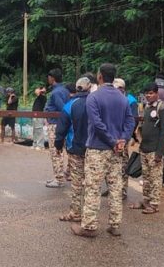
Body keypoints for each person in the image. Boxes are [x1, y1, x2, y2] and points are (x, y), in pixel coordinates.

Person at [71, 63, 134, 238]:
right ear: (113, 77)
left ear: (99, 76)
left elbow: (97, 124)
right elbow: (130, 121)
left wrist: (112, 140)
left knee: (93, 187)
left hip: (98, 149)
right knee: (115, 187)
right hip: (116, 151)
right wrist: (122, 139)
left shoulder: (94, 97)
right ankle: (115, 224)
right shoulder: (122, 98)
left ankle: (89, 226)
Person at [130, 83, 164, 214]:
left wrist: (159, 152)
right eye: (146, 93)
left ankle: (154, 204)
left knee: (155, 178)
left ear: (156, 93)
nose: (148, 95)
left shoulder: (162, 108)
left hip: (155, 150)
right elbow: (142, 127)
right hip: (145, 149)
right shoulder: (146, 107)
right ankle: (146, 201)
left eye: (151, 93)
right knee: (146, 178)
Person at [56, 77, 91, 222]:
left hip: (75, 148)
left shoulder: (69, 105)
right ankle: (90, 215)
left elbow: (61, 129)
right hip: (94, 149)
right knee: (91, 183)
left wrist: (58, 145)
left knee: (77, 183)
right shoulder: (95, 103)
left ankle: (76, 213)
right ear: (89, 88)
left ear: (76, 88)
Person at [101, 78, 137, 199]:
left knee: (122, 164)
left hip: (122, 138)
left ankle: (122, 190)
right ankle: (111, 188)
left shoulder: (130, 101)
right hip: (110, 137)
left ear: (123, 89)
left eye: (118, 89)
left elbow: (132, 121)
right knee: (108, 163)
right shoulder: (112, 99)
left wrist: (127, 137)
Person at [44, 68, 70, 188]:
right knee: (59, 151)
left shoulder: (57, 92)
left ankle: (59, 179)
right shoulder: (64, 90)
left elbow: (63, 108)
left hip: (55, 124)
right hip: (59, 124)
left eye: (49, 77)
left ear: (52, 78)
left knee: (56, 152)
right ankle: (58, 176)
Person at [31, 86, 47, 151]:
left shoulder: (43, 97)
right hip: (35, 115)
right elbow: (36, 91)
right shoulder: (38, 97)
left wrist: (42, 90)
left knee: (39, 130)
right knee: (35, 131)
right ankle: (35, 144)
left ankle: (41, 145)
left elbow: (37, 91)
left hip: (39, 115)